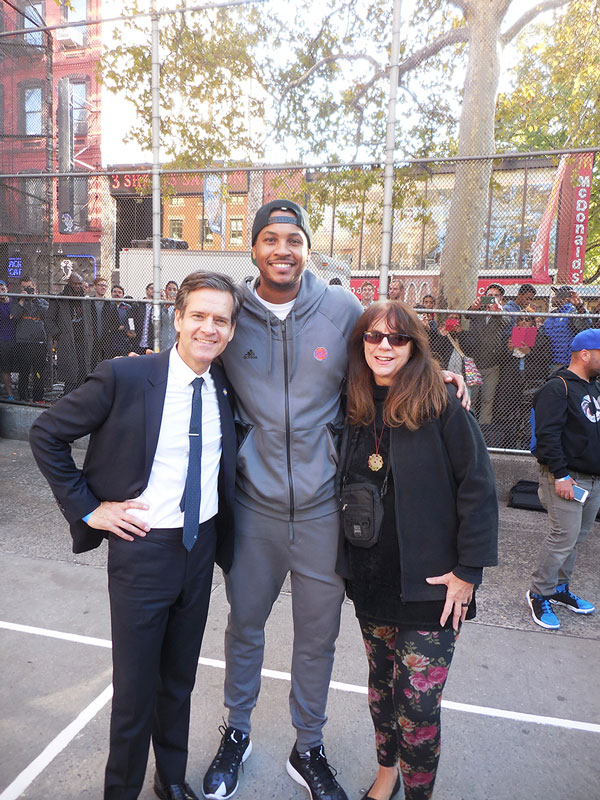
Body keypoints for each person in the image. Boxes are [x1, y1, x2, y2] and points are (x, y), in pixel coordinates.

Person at [201, 199, 468, 800]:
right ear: (254, 249)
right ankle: (236, 733)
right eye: (270, 239)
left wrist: (437, 376)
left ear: (307, 247)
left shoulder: (342, 309)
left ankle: (308, 745)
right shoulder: (233, 313)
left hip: (326, 512)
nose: (282, 250)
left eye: (293, 239)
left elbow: (388, 353)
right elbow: (195, 354)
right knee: (245, 626)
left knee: (316, 638)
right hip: (255, 510)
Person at [30, 271, 242, 800]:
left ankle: (170, 779)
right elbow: (47, 433)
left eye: (221, 320)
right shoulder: (127, 377)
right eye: (199, 315)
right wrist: (89, 510)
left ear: (233, 331)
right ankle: (119, 791)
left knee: (179, 682)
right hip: (142, 549)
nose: (208, 328)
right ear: (177, 318)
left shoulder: (225, 386)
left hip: (200, 547)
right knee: (133, 692)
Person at [336, 300, 498, 800]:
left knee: (419, 703)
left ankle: (418, 792)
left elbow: (478, 488)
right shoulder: (352, 401)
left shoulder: (443, 404)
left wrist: (468, 571)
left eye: (397, 338)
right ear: (360, 343)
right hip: (371, 578)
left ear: (413, 346)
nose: (383, 346)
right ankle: (386, 774)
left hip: (433, 584)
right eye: (373, 336)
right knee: (382, 688)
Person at [526, 328, 600, 630]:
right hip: (566, 478)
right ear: (585, 354)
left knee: (576, 539)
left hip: (592, 479)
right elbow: (547, 437)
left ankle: (559, 589)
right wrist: (561, 475)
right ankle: (538, 593)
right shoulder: (556, 389)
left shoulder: (593, 388)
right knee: (562, 539)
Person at [459, 283, 506, 425]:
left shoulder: (502, 314)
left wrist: (498, 311)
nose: (492, 299)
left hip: (492, 366)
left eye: (495, 296)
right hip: (474, 364)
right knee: (471, 398)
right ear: (485, 297)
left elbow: (507, 322)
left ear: (501, 298)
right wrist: (473, 307)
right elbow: (466, 315)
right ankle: (468, 426)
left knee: (487, 399)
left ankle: (484, 431)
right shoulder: (477, 312)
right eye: (489, 296)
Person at [47, 272, 94, 395]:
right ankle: (68, 398)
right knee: (70, 373)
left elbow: (89, 320)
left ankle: (81, 398)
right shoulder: (60, 299)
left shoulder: (84, 299)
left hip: (83, 340)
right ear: (69, 283)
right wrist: (58, 334)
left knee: (84, 370)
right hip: (67, 340)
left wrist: (90, 335)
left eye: (79, 283)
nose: (77, 286)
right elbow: (48, 319)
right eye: (75, 283)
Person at [11, 276, 49, 403]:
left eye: (29, 287)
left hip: (39, 341)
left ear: (35, 288)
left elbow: (46, 314)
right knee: (24, 371)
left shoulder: (41, 301)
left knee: (38, 372)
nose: (27, 289)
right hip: (23, 341)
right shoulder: (17, 301)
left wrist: (34, 298)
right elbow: (14, 316)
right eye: (24, 287)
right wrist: (22, 300)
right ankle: (23, 396)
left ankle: (38, 397)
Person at [544, 285, 589, 372]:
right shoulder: (553, 315)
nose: (553, 298)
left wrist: (580, 307)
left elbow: (585, 325)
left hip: (567, 362)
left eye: (556, 296)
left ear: (566, 299)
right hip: (551, 361)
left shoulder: (572, 312)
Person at [0, 280, 16, 399]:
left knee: (9, 367)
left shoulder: (14, 302)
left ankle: (13, 392)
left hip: (13, 339)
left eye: (3, 288)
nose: (1, 291)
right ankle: (8, 392)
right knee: (5, 368)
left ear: (7, 289)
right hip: (2, 339)